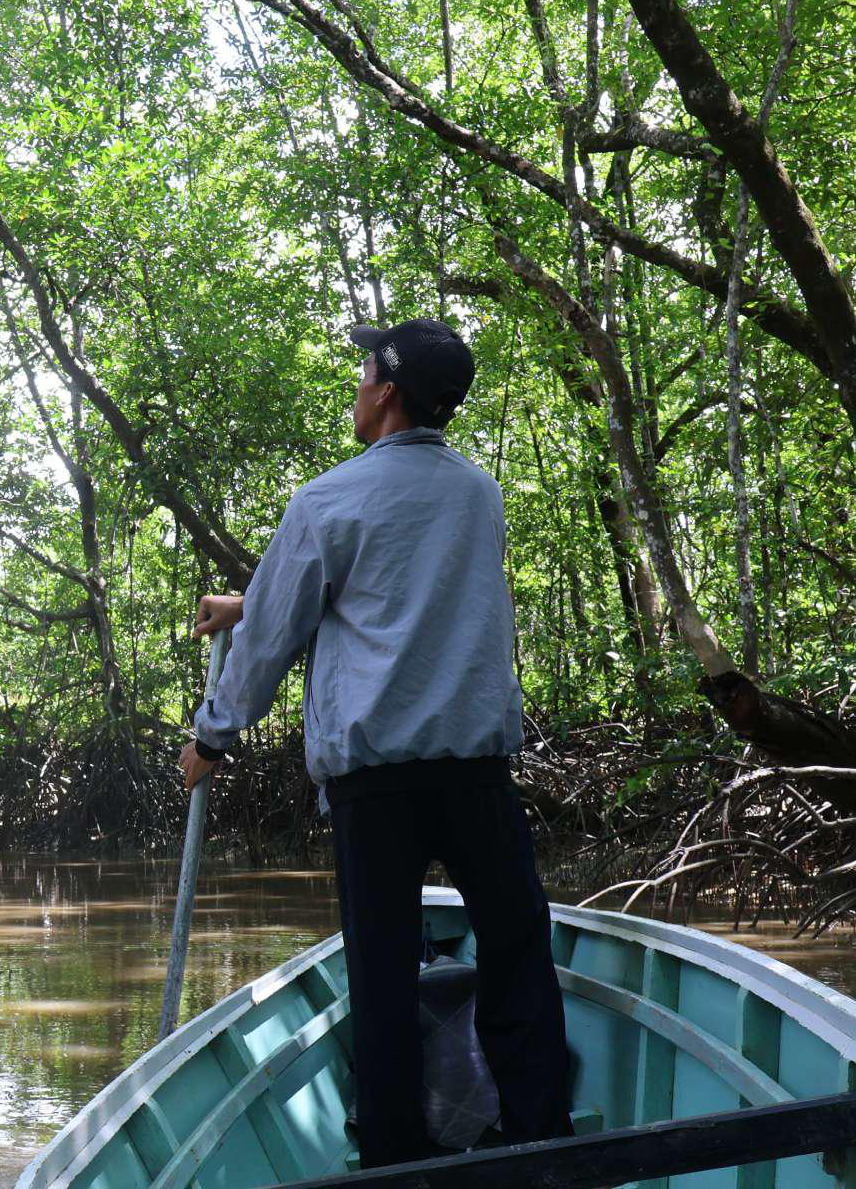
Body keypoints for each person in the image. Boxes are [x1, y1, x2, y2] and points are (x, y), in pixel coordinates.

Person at [177, 318, 573, 1168]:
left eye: (363, 374)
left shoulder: (327, 499)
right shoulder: (479, 493)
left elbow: (279, 632)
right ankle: (542, 1143)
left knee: (384, 980)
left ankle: (395, 1155)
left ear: (387, 393)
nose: (355, 388)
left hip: (376, 787)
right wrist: (252, 601)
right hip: (475, 774)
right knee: (517, 957)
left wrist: (213, 737)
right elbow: (405, 591)